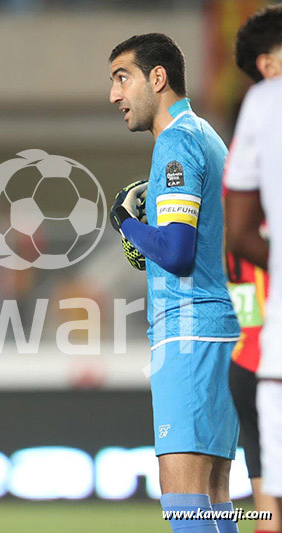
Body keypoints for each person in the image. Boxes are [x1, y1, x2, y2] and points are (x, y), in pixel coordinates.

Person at [108, 33, 240, 532]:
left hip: (190, 336)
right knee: (214, 497)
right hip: (220, 332)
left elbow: (179, 254)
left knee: (184, 501)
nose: (114, 95)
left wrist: (127, 222)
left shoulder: (177, 142)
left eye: (123, 78)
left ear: (157, 78)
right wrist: (150, 240)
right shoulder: (207, 136)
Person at [225, 6, 282, 533]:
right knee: (268, 510)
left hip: (256, 355)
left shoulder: (232, 194)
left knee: (269, 508)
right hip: (261, 354)